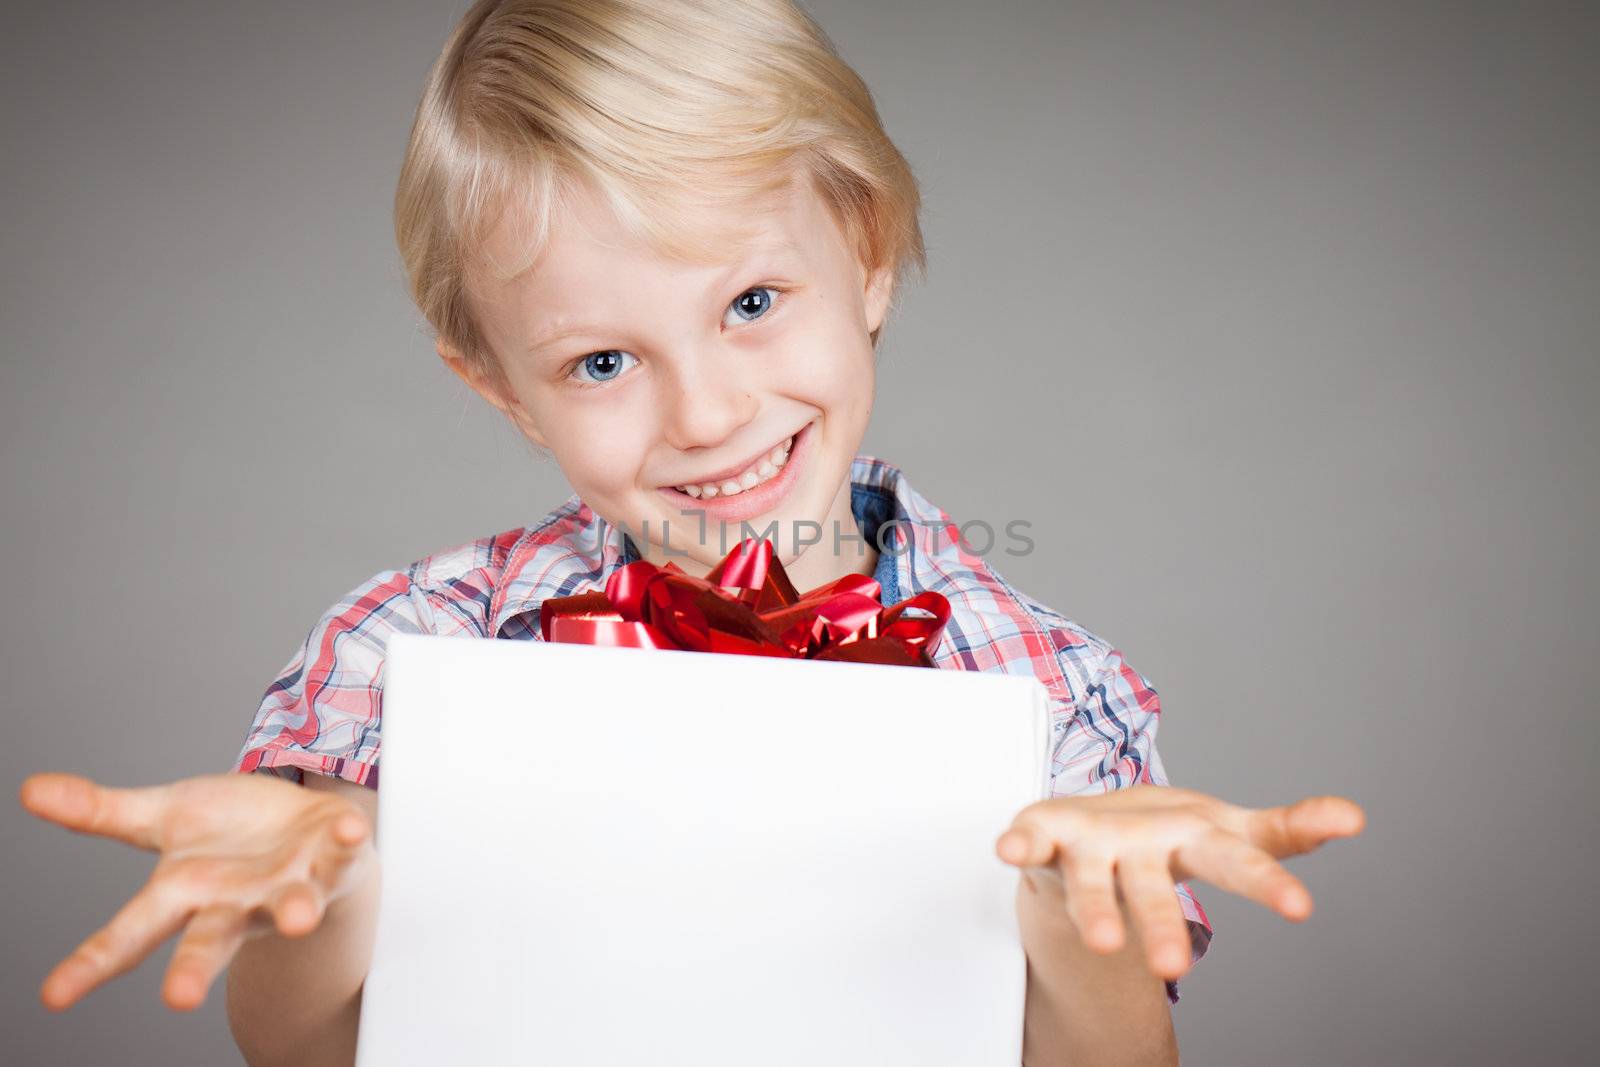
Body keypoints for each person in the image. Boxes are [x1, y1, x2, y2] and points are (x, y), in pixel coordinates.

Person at [17, 2, 1365, 1064]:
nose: (709, 413)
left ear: (871, 251)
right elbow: (306, 1053)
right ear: (502, 389)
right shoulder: (406, 648)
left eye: (753, 301)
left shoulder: (1048, 684)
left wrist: (1086, 930)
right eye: (603, 362)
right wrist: (329, 886)